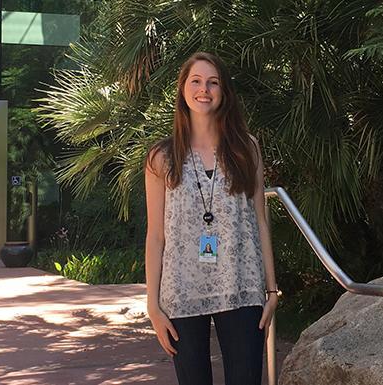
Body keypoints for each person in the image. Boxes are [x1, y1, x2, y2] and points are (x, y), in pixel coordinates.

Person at [144, 52, 278, 385]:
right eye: (196, 81)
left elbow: (260, 220)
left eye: (213, 82)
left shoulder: (246, 149)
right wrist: (153, 305)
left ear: (224, 92)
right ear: (182, 90)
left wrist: (272, 290)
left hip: (241, 283)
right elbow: (156, 236)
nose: (205, 89)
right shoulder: (161, 158)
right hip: (182, 290)